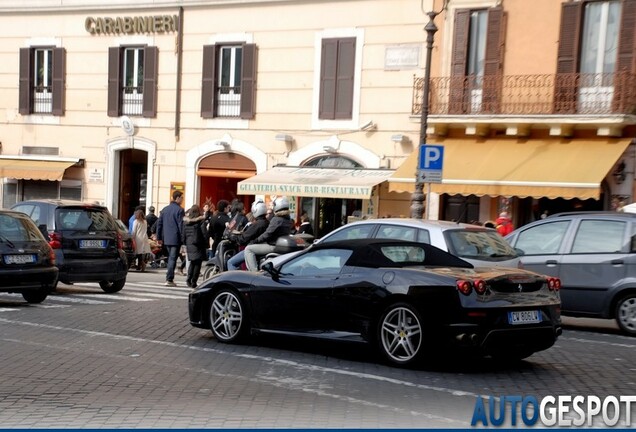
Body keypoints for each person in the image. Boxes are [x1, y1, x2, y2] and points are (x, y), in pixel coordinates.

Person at [244, 196, 292, 271]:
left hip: (273, 245)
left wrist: (256, 240)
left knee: (248, 249)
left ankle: (254, 273)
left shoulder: (276, 219)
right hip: (279, 245)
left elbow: (267, 234)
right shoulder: (288, 219)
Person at [227, 200, 270, 271]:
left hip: (254, 249)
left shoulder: (257, 224)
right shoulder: (267, 222)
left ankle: (235, 281)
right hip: (261, 249)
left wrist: (232, 237)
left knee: (231, 262)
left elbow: (243, 238)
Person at [156, 190, 185, 286]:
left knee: (170, 258)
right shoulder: (180, 210)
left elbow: (159, 224)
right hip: (175, 238)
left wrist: (159, 237)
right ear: (177, 198)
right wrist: (183, 239)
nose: (182, 199)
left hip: (166, 238)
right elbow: (181, 225)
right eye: (181, 197)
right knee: (172, 258)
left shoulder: (165, 209)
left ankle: (169, 276)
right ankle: (169, 279)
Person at [181, 204, 209, 288]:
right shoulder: (201, 221)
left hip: (189, 244)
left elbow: (183, 235)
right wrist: (206, 244)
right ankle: (194, 281)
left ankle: (188, 279)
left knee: (192, 262)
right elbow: (204, 234)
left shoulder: (186, 222)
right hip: (198, 244)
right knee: (197, 264)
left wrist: (185, 243)